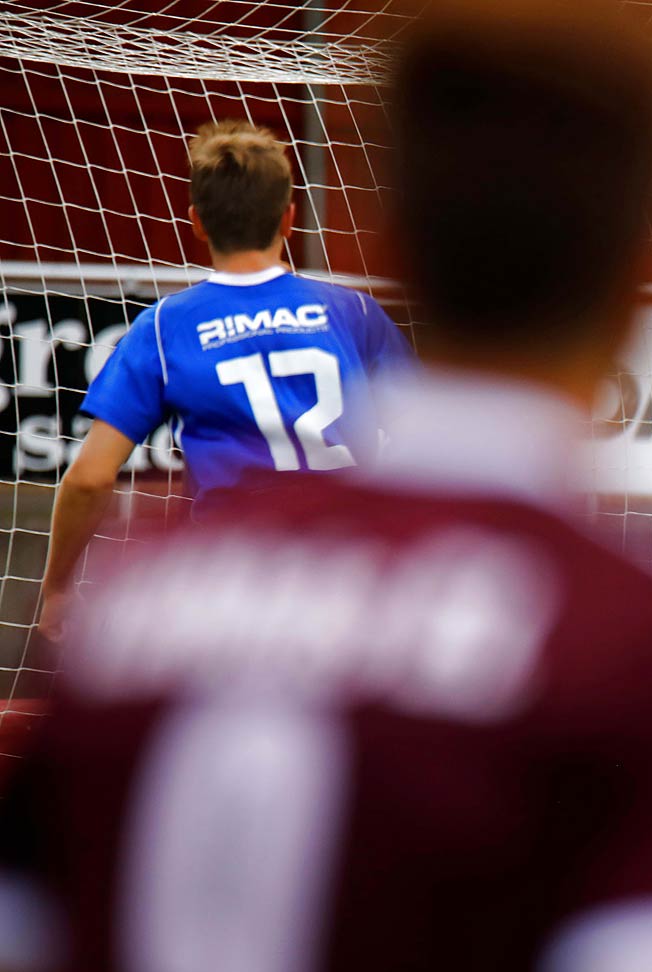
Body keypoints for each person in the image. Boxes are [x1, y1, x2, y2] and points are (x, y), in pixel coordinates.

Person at [0, 2, 652, 972]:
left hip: (229, 589)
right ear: (645, 289)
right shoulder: (650, 657)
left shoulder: (133, 615)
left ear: (398, 229)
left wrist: (63, 592)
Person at [37, 120, 411, 640]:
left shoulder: (166, 328)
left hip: (230, 582)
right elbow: (430, 438)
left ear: (196, 222)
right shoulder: (352, 311)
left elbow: (91, 477)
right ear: (289, 218)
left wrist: (58, 589)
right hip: (349, 574)